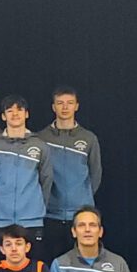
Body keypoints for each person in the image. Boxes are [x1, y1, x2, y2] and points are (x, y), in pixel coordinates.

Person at [0, 95, 52, 263]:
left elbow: (46, 181)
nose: (15, 114)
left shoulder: (40, 146)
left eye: (19, 110)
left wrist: (36, 205)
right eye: (10, 111)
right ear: (3, 116)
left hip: (31, 219)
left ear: (26, 114)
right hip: (0, 219)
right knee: (0, 268)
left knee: (33, 269)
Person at [36, 87, 102, 262]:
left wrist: (81, 196)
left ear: (76, 106)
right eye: (60, 103)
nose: (65, 107)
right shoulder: (40, 138)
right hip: (49, 214)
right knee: (50, 265)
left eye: (69, 103)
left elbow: (95, 175)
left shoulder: (88, 138)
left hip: (80, 214)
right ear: (53, 107)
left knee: (80, 265)